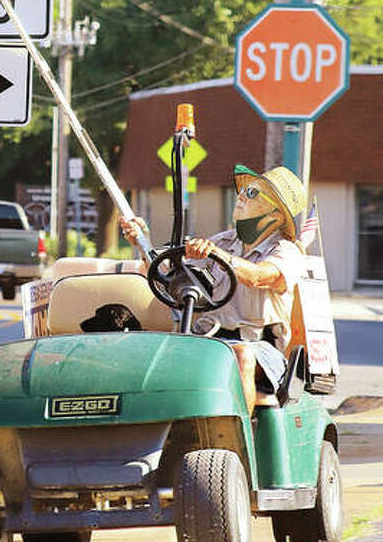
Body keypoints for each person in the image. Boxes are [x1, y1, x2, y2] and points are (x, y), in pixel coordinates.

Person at [121, 164, 307, 414]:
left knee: (239, 356)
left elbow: (259, 276)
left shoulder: (287, 250)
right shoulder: (222, 241)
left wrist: (218, 255)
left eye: (252, 194)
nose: (241, 196)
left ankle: (237, 438)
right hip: (206, 339)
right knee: (149, 355)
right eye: (243, 190)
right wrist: (142, 240)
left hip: (258, 347)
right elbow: (168, 274)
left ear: (275, 215)